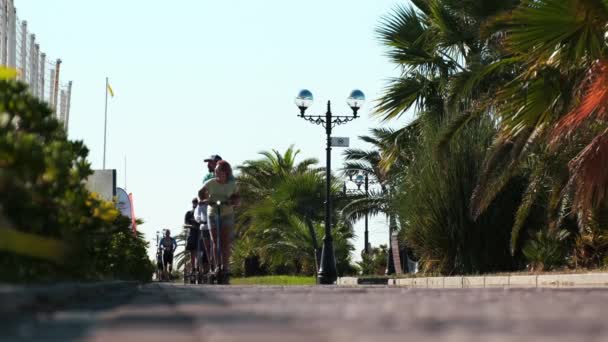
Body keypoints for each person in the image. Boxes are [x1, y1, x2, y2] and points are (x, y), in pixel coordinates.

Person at [198, 160, 240, 283]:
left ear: (226, 172)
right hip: (213, 213)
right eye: (215, 171)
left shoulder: (232, 184)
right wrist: (204, 199)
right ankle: (217, 266)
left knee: (225, 242)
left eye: (219, 171)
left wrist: (234, 201)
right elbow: (200, 193)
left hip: (227, 213)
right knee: (215, 242)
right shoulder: (210, 183)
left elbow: (237, 196)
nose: (216, 173)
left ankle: (225, 267)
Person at [184, 198, 201, 277]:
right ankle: (193, 269)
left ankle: (198, 268)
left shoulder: (200, 213)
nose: (195, 204)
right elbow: (185, 224)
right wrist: (192, 226)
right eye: (194, 203)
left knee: (199, 252)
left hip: (200, 233)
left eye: (196, 203)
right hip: (191, 234)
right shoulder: (189, 213)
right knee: (192, 253)